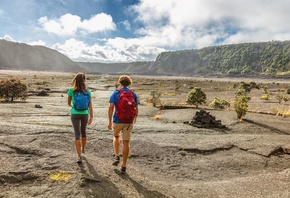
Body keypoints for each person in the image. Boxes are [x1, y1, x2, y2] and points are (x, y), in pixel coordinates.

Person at [108, 75, 138, 174]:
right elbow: (135, 108)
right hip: (129, 121)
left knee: (116, 137)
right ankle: (124, 165)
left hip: (117, 120)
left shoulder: (116, 93)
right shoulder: (133, 94)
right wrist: (135, 118)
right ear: (129, 83)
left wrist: (109, 121)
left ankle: (117, 156)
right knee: (126, 142)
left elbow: (111, 107)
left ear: (120, 82)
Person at [67, 72, 93, 163]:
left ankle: (79, 156)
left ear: (75, 80)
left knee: (77, 134)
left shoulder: (71, 90)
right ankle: (83, 149)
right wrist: (91, 116)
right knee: (83, 132)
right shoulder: (88, 92)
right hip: (85, 113)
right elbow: (90, 105)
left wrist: (74, 106)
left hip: (75, 113)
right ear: (84, 81)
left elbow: (68, 103)